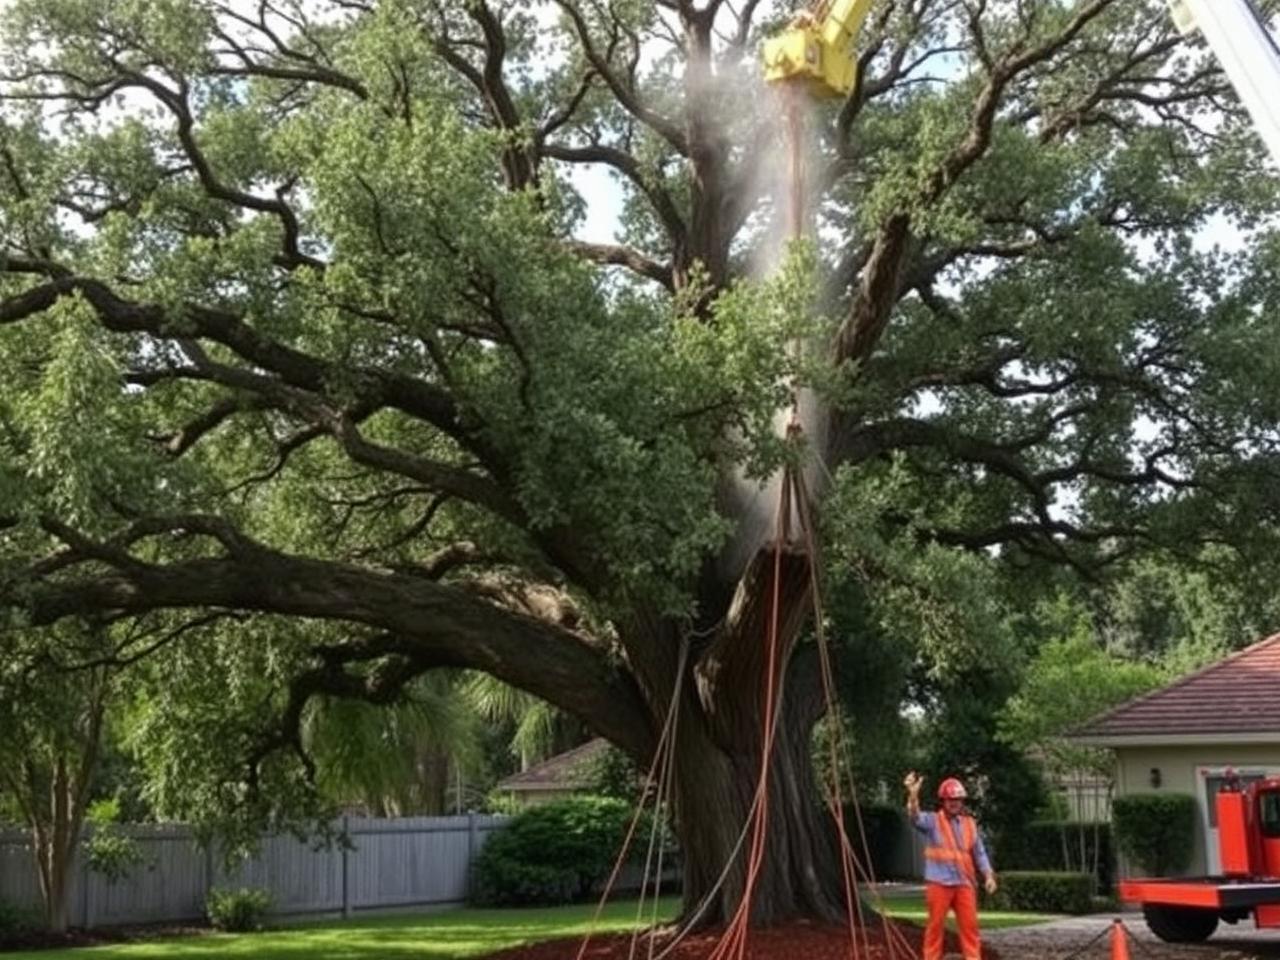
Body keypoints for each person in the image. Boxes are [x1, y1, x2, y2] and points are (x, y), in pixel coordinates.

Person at [905, 771, 998, 960]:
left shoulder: (970, 824)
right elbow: (914, 817)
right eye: (950, 800)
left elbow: (979, 853)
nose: (954, 803)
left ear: (962, 801)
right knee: (935, 927)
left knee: (970, 927)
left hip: (964, 883)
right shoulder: (932, 821)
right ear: (943, 801)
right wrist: (913, 795)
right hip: (939, 883)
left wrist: (988, 876)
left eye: (958, 799)